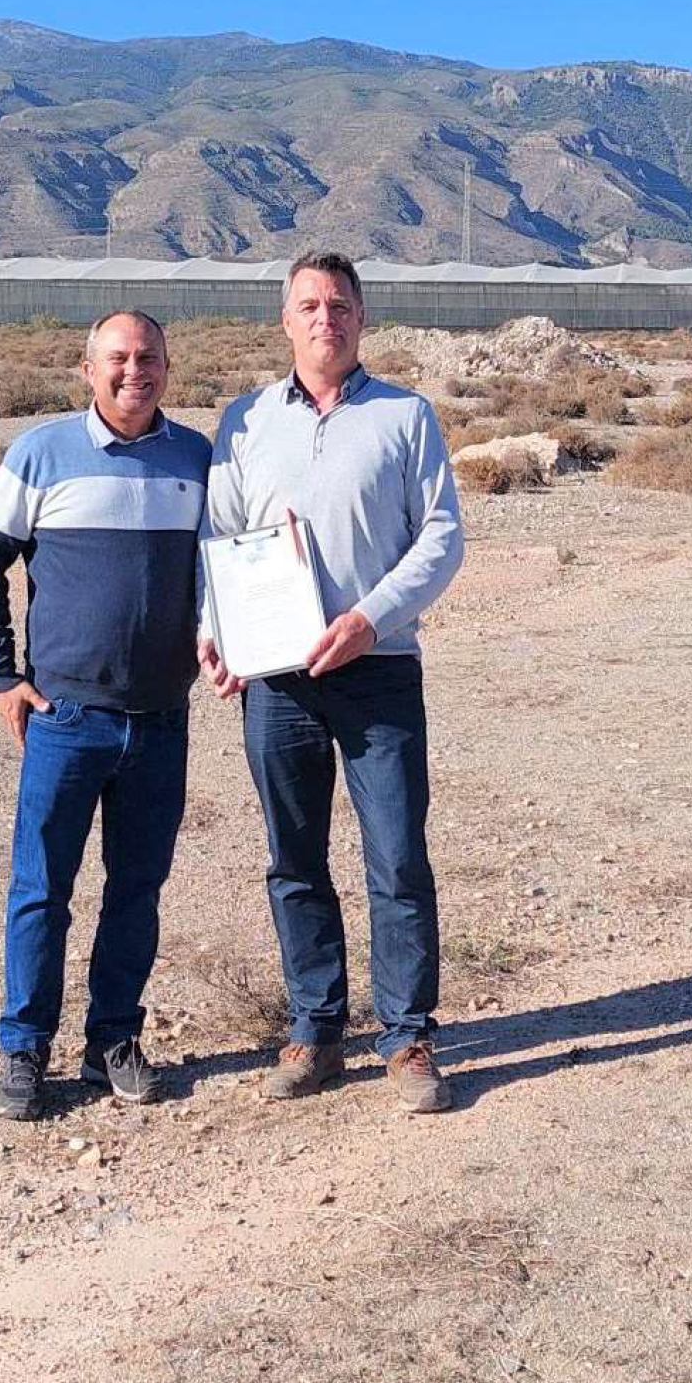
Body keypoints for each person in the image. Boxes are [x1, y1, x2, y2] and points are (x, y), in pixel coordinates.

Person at [202, 251, 466, 1113]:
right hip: (278, 681)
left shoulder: (406, 418)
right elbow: (222, 540)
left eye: (341, 305)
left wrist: (369, 620)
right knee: (295, 858)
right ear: (285, 322)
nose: (326, 319)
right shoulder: (243, 423)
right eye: (309, 306)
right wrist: (217, 633)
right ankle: (315, 1029)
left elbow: (439, 540)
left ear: (363, 319)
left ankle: (407, 1037)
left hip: (379, 670)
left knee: (395, 856)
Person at [0, 309, 210, 1121]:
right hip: (66, 717)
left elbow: (231, 570)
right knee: (42, 890)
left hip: (162, 720)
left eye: (149, 359)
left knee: (136, 891)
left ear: (168, 369)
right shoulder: (40, 452)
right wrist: (3, 676)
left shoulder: (197, 459)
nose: (134, 371)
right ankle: (23, 1048)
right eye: (118, 358)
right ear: (87, 367)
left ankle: (113, 1040)